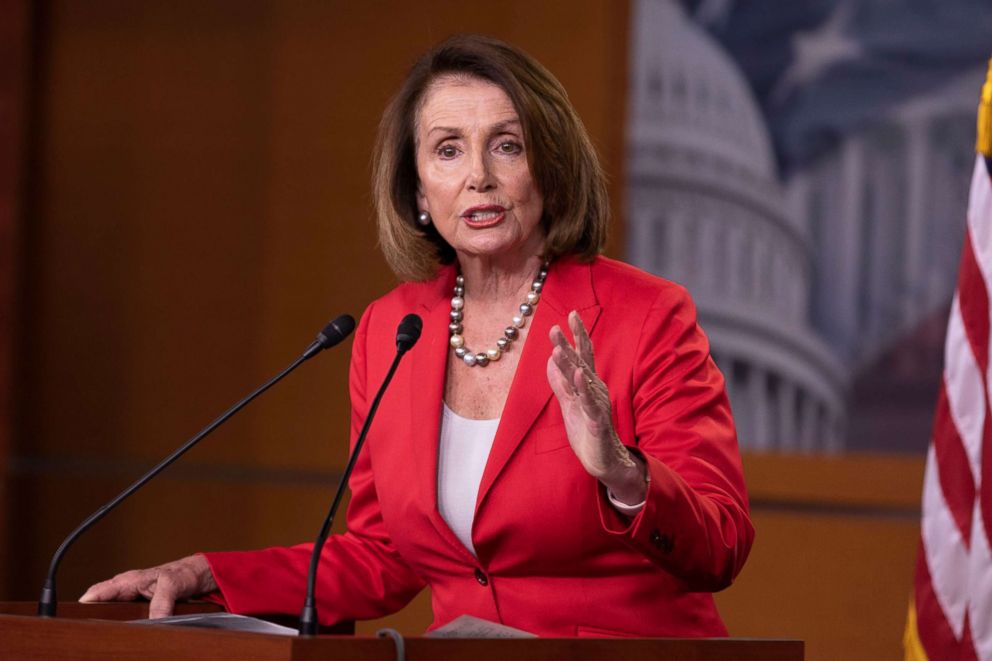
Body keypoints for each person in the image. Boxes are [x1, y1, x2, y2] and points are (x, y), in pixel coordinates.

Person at [81, 34, 753, 637]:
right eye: (448, 149)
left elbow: (720, 544)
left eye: (507, 145)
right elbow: (383, 554)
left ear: (548, 168)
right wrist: (207, 572)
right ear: (419, 194)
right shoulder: (391, 330)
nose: (479, 176)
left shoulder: (646, 315)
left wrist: (622, 472)